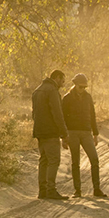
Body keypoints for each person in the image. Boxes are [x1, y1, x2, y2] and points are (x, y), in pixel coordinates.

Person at [62, 73, 106, 197]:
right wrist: (64, 137)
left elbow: (92, 115)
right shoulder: (67, 98)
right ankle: (77, 190)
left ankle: (96, 189)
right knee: (75, 162)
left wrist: (95, 134)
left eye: (84, 87)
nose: (82, 89)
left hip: (86, 132)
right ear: (74, 85)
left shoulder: (88, 97)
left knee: (94, 159)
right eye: (80, 87)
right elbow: (63, 118)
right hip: (72, 132)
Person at [32, 70, 69, 200]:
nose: (62, 85)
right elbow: (57, 114)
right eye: (62, 81)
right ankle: (51, 190)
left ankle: (42, 191)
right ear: (57, 78)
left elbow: (34, 113)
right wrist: (64, 133)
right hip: (51, 132)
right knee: (54, 161)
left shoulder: (37, 90)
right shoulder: (52, 90)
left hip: (39, 131)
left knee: (43, 160)